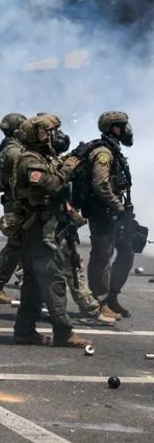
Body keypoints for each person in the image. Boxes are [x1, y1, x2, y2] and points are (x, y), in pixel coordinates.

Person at [11, 114, 89, 348]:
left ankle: (24, 330)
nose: (55, 136)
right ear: (37, 136)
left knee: (34, 282)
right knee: (53, 279)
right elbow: (51, 185)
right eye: (49, 132)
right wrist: (68, 168)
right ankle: (64, 332)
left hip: (45, 227)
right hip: (39, 229)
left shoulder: (44, 158)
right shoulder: (30, 161)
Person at [75, 111, 138, 321]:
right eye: (122, 125)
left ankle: (111, 297)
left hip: (114, 211)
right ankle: (98, 303)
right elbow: (100, 184)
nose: (127, 130)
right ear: (113, 128)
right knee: (102, 256)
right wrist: (118, 206)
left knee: (127, 251)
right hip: (102, 212)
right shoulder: (103, 152)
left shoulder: (113, 149)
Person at [0, 113, 27, 304]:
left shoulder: (3, 149)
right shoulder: (16, 152)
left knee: (22, 244)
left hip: (11, 200)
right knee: (16, 245)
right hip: (18, 202)